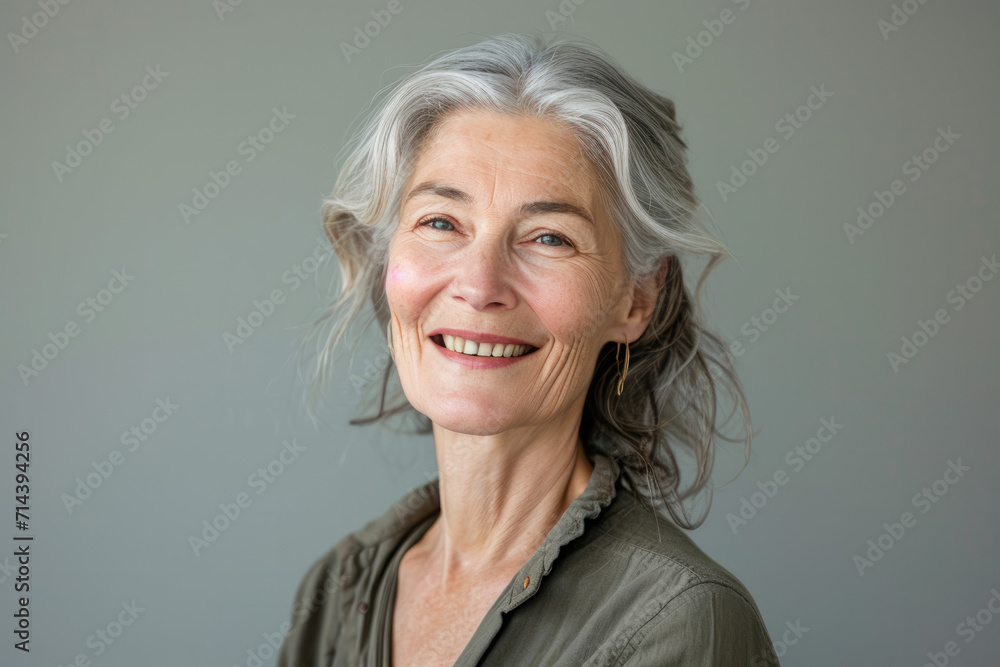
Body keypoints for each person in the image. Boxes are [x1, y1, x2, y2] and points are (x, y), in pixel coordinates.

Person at [279, 33, 779, 666]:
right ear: (386, 261)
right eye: (440, 223)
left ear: (635, 301)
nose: (480, 285)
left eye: (549, 238)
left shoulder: (677, 620)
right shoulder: (337, 590)